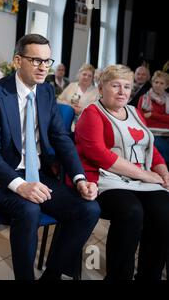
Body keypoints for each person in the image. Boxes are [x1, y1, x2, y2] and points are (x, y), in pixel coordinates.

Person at [0, 34, 100, 280]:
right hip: (0, 177)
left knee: (89, 209)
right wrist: (20, 186)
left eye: (47, 61)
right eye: (36, 60)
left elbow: (61, 138)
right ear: (18, 60)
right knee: (29, 211)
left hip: (38, 173)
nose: (43, 67)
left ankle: (53, 275)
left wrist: (80, 178)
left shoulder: (47, 91)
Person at [75, 64, 169, 280]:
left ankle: (149, 276)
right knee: (131, 212)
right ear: (101, 88)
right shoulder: (92, 113)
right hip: (106, 179)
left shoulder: (135, 112)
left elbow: (150, 147)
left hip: (138, 179)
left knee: (164, 210)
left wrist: (163, 171)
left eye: (126, 86)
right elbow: (99, 154)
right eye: (115, 85)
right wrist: (147, 175)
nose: (122, 91)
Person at [137, 70, 169, 163]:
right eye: (156, 82)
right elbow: (140, 118)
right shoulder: (144, 98)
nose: (158, 85)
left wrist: (152, 115)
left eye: (161, 83)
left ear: (166, 86)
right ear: (152, 83)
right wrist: (164, 118)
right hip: (151, 133)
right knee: (163, 149)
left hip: (167, 133)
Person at [58, 63, 98, 130]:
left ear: (92, 78)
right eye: (84, 74)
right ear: (79, 75)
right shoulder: (71, 85)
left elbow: (97, 110)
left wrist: (82, 110)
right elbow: (58, 100)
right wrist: (70, 106)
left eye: (90, 76)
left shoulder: (96, 91)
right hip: (65, 122)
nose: (86, 77)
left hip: (85, 125)